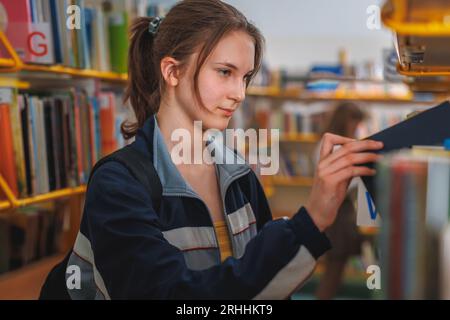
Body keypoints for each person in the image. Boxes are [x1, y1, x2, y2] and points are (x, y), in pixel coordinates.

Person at [54, 0, 383, 299]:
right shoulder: (117, 183)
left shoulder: (240, 174)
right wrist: (310, 219)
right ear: (172, 71)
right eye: (225, 72)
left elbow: (264, 286)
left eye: (246, 77)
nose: (240, 93)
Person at [315, 102, 370, 299]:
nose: (356, 129)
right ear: (346, 122)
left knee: (335, 268)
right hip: (337, 213)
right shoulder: (334, 147)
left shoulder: (329, 143)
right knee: (334, 268)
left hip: (339, 211)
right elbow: (342, 183)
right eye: (354, 124)